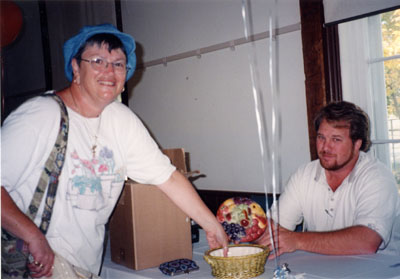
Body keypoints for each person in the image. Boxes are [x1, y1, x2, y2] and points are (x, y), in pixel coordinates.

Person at [1, 23, 228, 278]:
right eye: (98, 60)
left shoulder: (121, 120)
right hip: (35, 267)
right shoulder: (41, 115)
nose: (109, 71)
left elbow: (168, 177)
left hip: (84, 267)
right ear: (75, 68)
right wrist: (32, 236)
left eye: (118, 64)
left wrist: (212, 225)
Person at [256, 101, 400, 258]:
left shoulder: (377, 177)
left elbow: (366, 242)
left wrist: (297, 240)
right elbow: (273, 229)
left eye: (336, 139)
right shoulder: (304, 174)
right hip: (317, 269)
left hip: (378, 271)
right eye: (321, 137)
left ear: (357, 144)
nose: (325, 147)